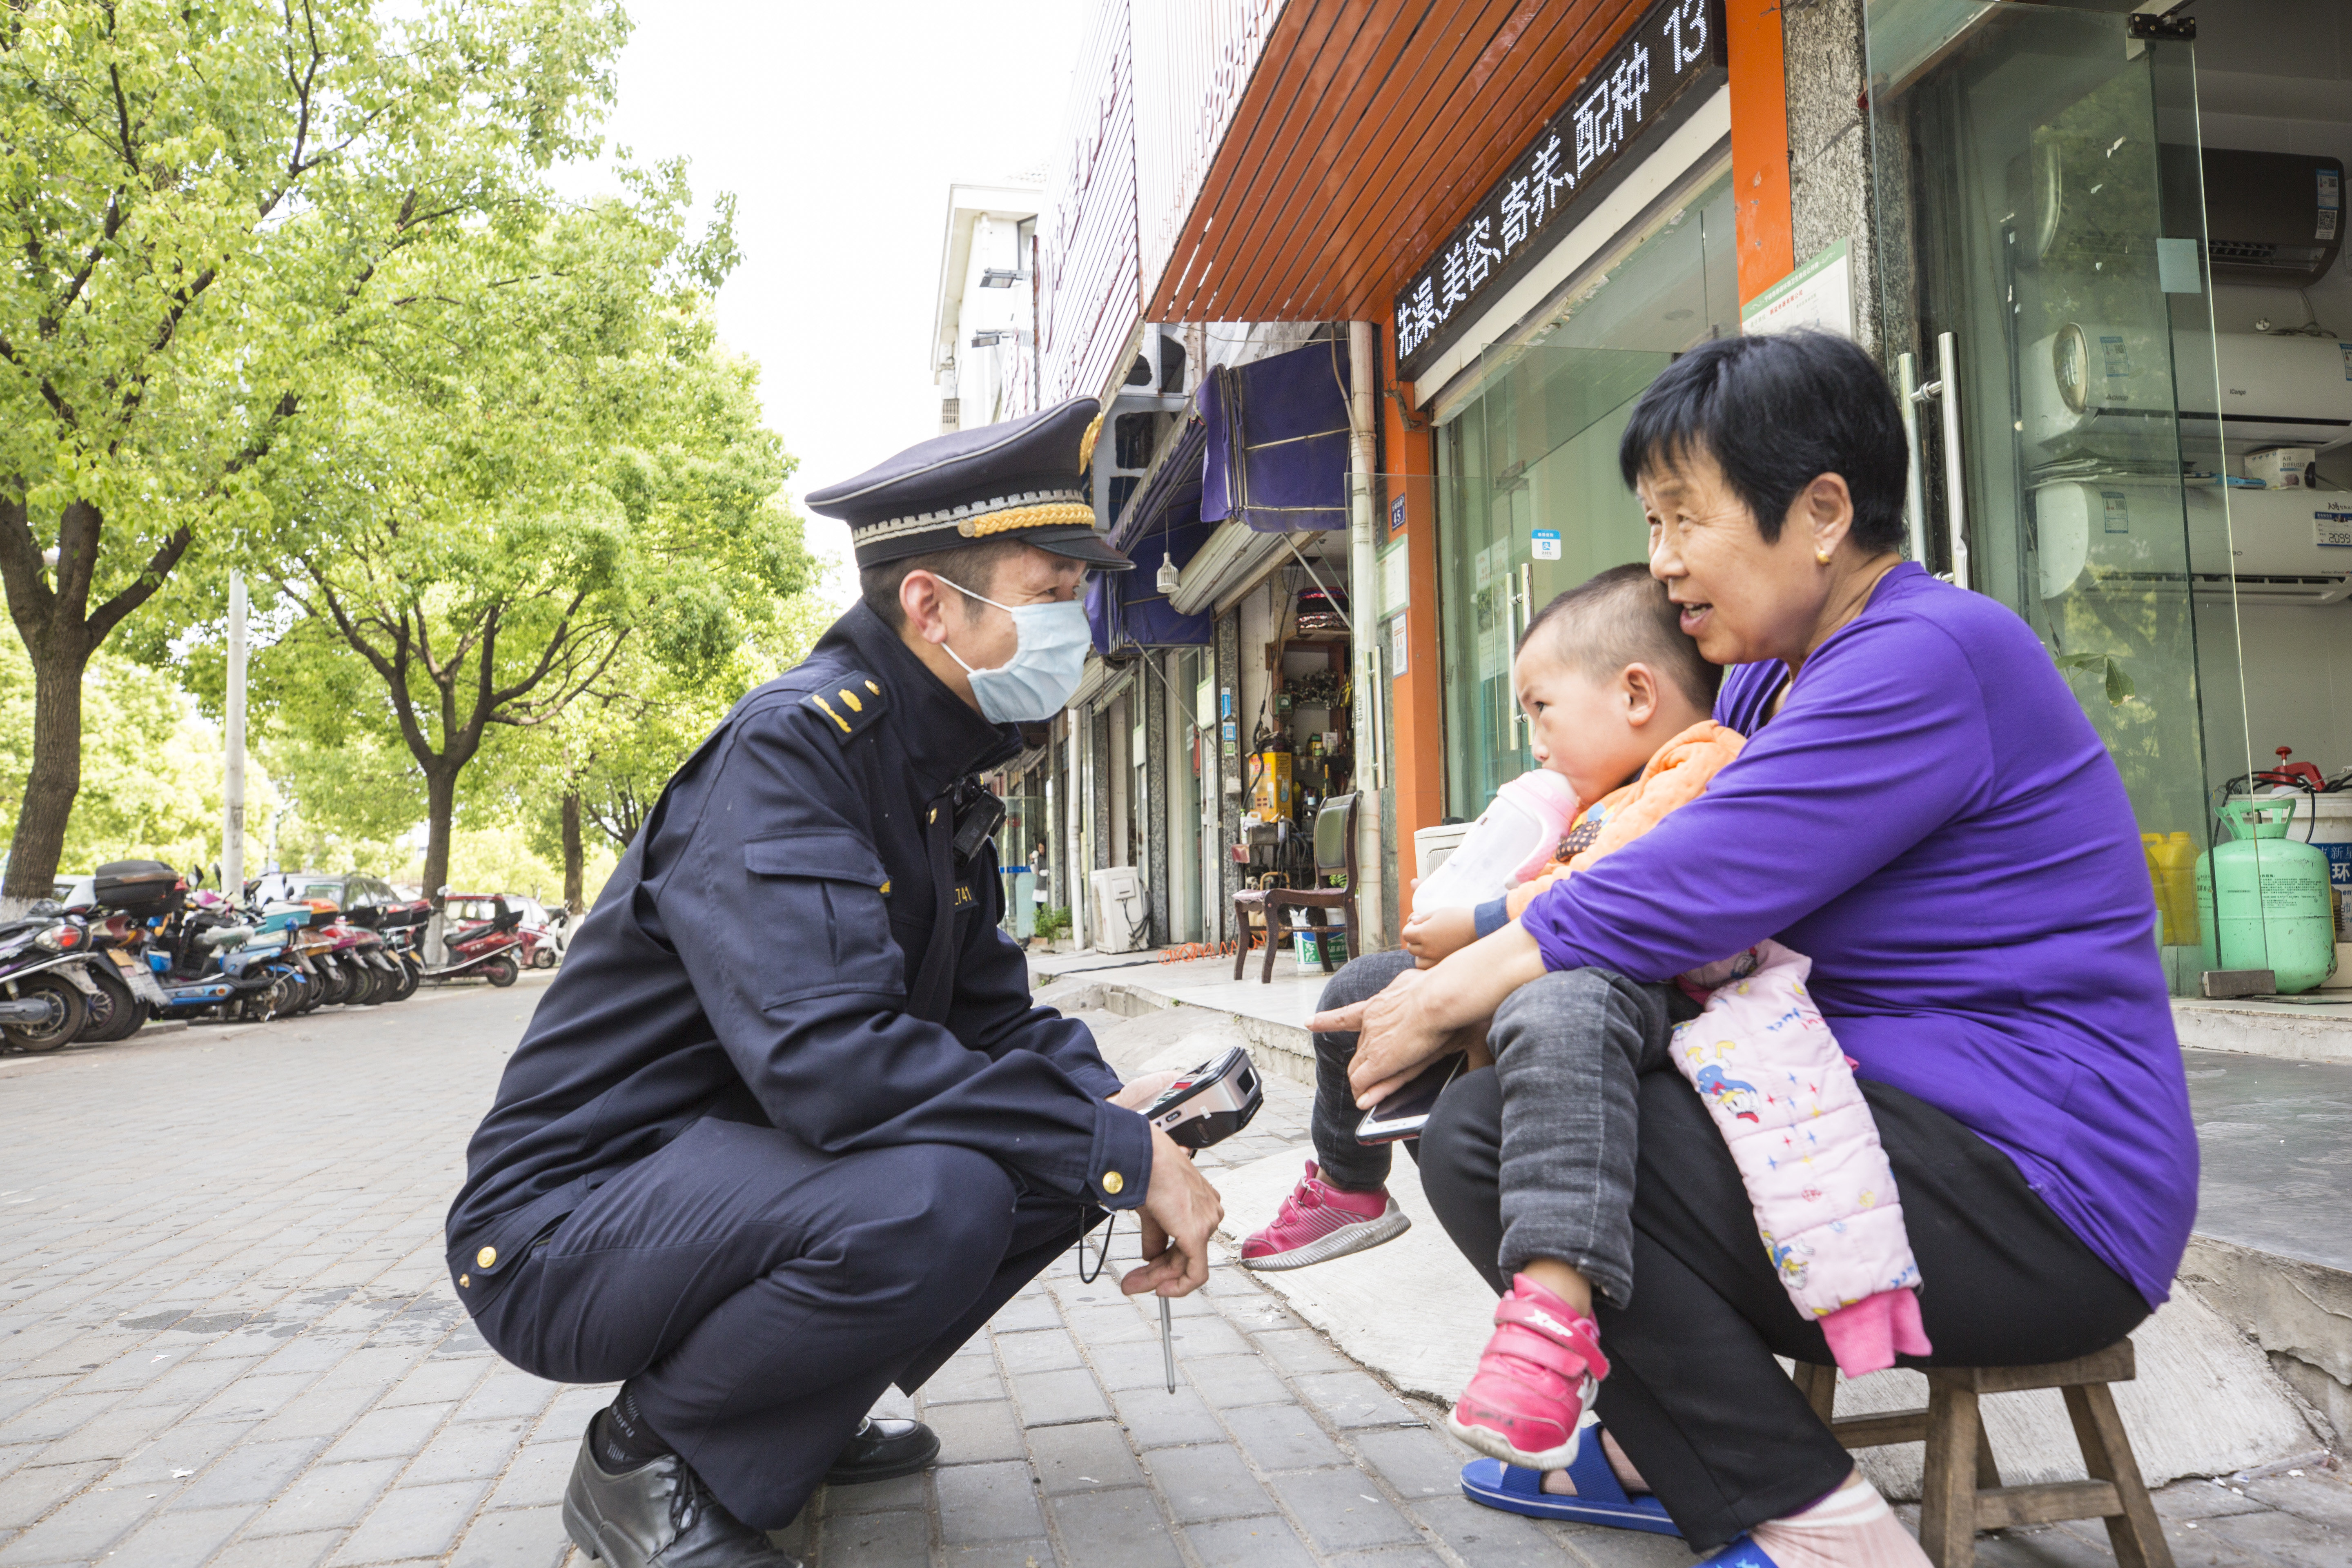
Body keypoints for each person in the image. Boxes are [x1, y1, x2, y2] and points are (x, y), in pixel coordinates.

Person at [1310, 331, 2196, 1568]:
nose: (1662, 562)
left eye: (1684, 520)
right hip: (1871, 1132)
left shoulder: (1927, 655)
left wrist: (1449, 990)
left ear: (1823, 511)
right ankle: (1666, 1458)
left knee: (1503, 1129)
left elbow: (1686, 890)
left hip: (2037, 1190)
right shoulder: (1761, 689)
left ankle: (1803, 1524)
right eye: (1653, 524)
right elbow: (1624, 857)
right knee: (1496, 1108)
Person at [444, 397, 1223, 1568]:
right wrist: (1112, 1145)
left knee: (1062, 1156)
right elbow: (831, 1064)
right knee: (944, 1195)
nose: (1079, 631)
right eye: (1051, 599)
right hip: (565, 1227)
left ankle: (788, 1420)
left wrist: (1135, 1114)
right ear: (930, 606)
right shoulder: (793, 753)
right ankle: (647, 1464)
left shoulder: (932, 777)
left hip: (717, 1178)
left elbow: (993, 1022)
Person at [1237, 565, 1730, 1272]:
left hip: (1642, 999)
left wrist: (1482, 923)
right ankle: (1350, 1187)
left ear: (1635, 693)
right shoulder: (1600, 798)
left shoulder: (1691, 765)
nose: (1536, 744)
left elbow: (1604, 887)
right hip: (1550, 967)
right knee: (1359, 989)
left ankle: (1547, 1251)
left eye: (1543, 710)